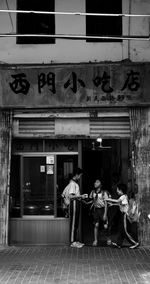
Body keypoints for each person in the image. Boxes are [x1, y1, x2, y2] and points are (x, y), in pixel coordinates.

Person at [105, 183, 139, 249]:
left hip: (125, 216)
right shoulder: (124, 196)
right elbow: (120, 204)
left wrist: (107, 199)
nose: (117, 191)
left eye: (117, 189)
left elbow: (117, 201)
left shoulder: (123, 196)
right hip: (122, 215)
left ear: (121, 190)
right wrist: (112, 204)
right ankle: (119, 244)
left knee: (125, 231)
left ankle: (135, 243)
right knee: (121, 230)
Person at [61, 167, 87, 248]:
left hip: (76, 204)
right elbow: (71, 197)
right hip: (74, 204)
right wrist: (81, 196)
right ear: (76, 175)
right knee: (73, 224)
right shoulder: (73, 184)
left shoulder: (72, 183)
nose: (80, 177)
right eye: (80, 176)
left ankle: (75, 240)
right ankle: (73, 242)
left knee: (75, 224)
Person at [87, 179, 108, 247]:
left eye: (97, 182)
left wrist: (105, 214)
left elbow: (106, 203)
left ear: (101, 185)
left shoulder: (104, 192)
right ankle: (95, 240)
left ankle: (108, 238)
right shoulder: (92, 192)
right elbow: (92, 201)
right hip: (96, 210)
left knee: (105, 226)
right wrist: (86, 202)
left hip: (102, 210)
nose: (95, 183)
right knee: (96, 225)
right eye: (95, 182)